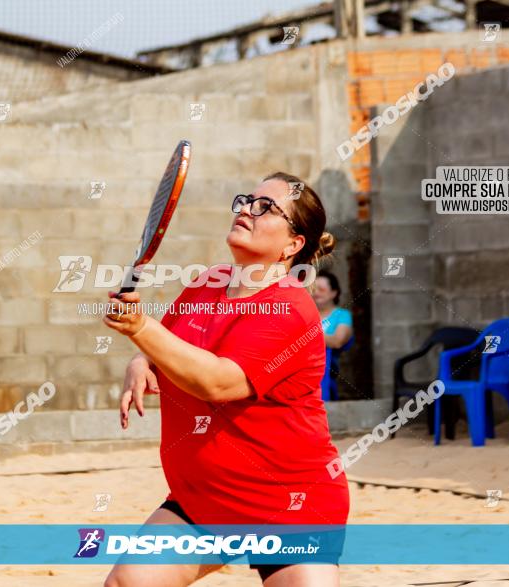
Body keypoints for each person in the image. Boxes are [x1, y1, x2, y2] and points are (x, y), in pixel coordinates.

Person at [103, 172, 349, 586]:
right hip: (204, 502)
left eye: (266, 208)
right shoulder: (206, 284)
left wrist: (140, 328)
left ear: (293, 245)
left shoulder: (290, 309)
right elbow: (170, 351)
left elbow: (217, 382)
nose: (246, 211)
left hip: (289, 505)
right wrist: (141, 362)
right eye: (246, 200)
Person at [312, 270, 353, 402]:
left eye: (321, 289)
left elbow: (337, 341)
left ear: (334, 293)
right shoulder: (306, 313)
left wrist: (305, 335)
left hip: (327, 368)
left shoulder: (342, 315)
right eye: (313, 288)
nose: (316, 292)